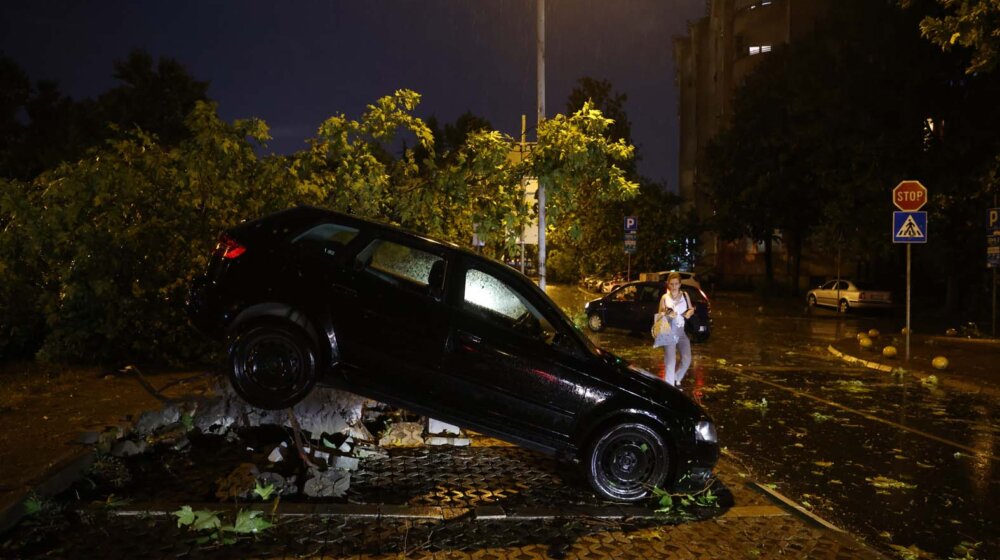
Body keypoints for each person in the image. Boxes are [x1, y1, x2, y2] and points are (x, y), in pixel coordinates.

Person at [658, 272, 694, 389]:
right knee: (670, 361)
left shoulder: (685, 295)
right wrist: (667, 313)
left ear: (680, 284)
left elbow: (691, 308)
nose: (674, 286)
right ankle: (669, 387)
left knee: (687, 358)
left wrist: (689, 313)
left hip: (681, 331)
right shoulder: (664, 298)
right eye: (672, 284)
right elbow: (659, 315)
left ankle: (676, 378)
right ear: (668, 284)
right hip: (669, 331)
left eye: (676, 284)